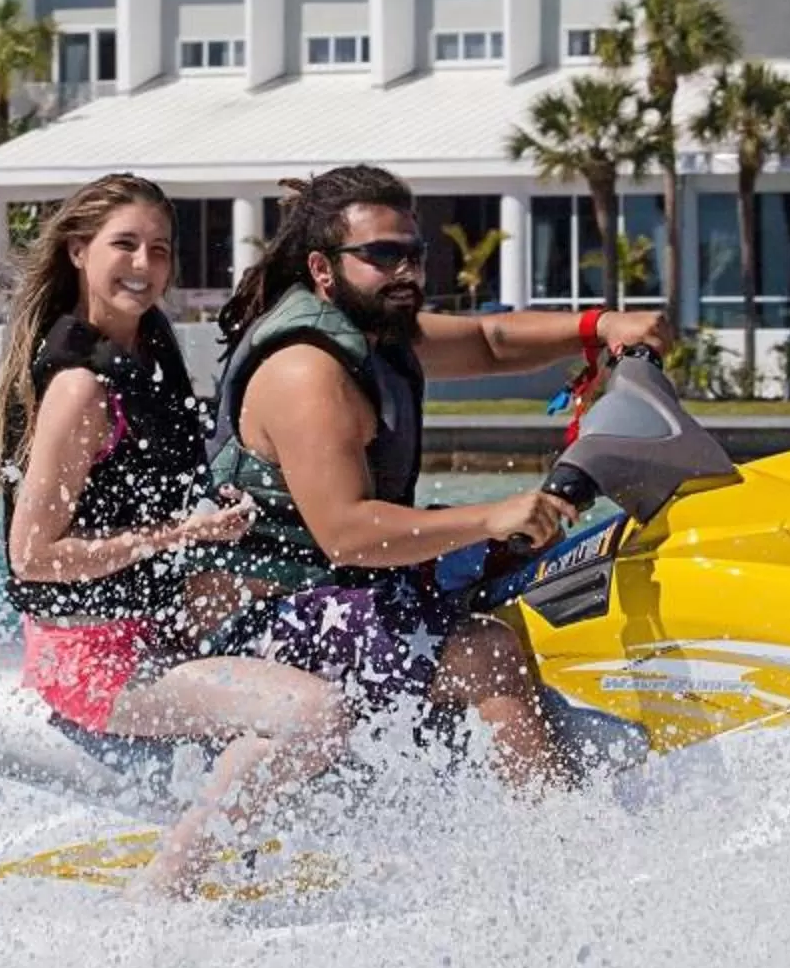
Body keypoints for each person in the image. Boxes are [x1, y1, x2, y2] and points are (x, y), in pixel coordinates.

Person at [207, 164, 677, 788]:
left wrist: (599, 327)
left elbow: (489, 340)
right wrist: (488, 515)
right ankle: (554, 843)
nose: (405, 271)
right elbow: (345, 532)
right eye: (381, 255)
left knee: (534, 570)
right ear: (324, 270)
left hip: (347, 591)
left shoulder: (378, 334)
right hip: (267, 618)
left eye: (414, 253)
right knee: (489, 653)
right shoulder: (307, 373)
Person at [0, 173, 350, 897]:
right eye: (124, 246)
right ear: (80, 251)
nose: (144, 265)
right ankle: (167, 894)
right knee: (317, 715)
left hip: (157, 617)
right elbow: (32, 557)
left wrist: (313, 229)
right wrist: (172, 535)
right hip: (95, 658)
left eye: (159, 249)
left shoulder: (147, 346)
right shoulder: (81, 388)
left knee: (329, 592)